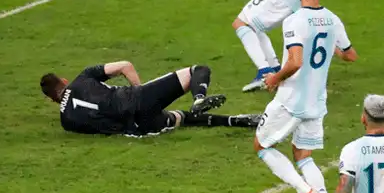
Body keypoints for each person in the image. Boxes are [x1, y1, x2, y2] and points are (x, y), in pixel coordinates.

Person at [254, 0, 357, 193]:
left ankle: (304, 191)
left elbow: (295, 62)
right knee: (303, 155)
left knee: (262, 146)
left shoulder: (294, 21)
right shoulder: (333, 20)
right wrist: (329, 46)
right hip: (316, 101)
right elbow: (350, 55)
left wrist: (274, 78)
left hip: (291, 99)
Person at [40, 61, 259, 137]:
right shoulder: (83, 77)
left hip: (138, 128)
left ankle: (237, 121)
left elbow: (98, 128)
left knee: (180, 118)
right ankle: (200, 98)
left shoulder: (66, 122)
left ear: (52, 99)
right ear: (64, 80)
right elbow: (125, 66)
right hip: (138, 100)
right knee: (198, 70)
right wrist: (141, 92)